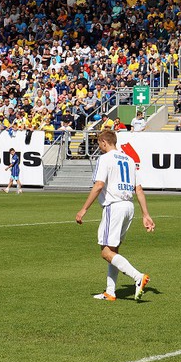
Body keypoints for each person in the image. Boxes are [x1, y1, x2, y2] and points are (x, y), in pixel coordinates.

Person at [75, 129, 154, 301]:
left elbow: (98, 185)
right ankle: (110, 292)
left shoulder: (105, 159)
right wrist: (145, 214)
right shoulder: (130, 159)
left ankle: (138, 277)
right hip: (128, 206)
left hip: (114, 206)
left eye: (99, 143)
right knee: (114, 250)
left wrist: (84, 209)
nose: (99, 147)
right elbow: (138, 189)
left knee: (105, 252)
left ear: (104, 142)